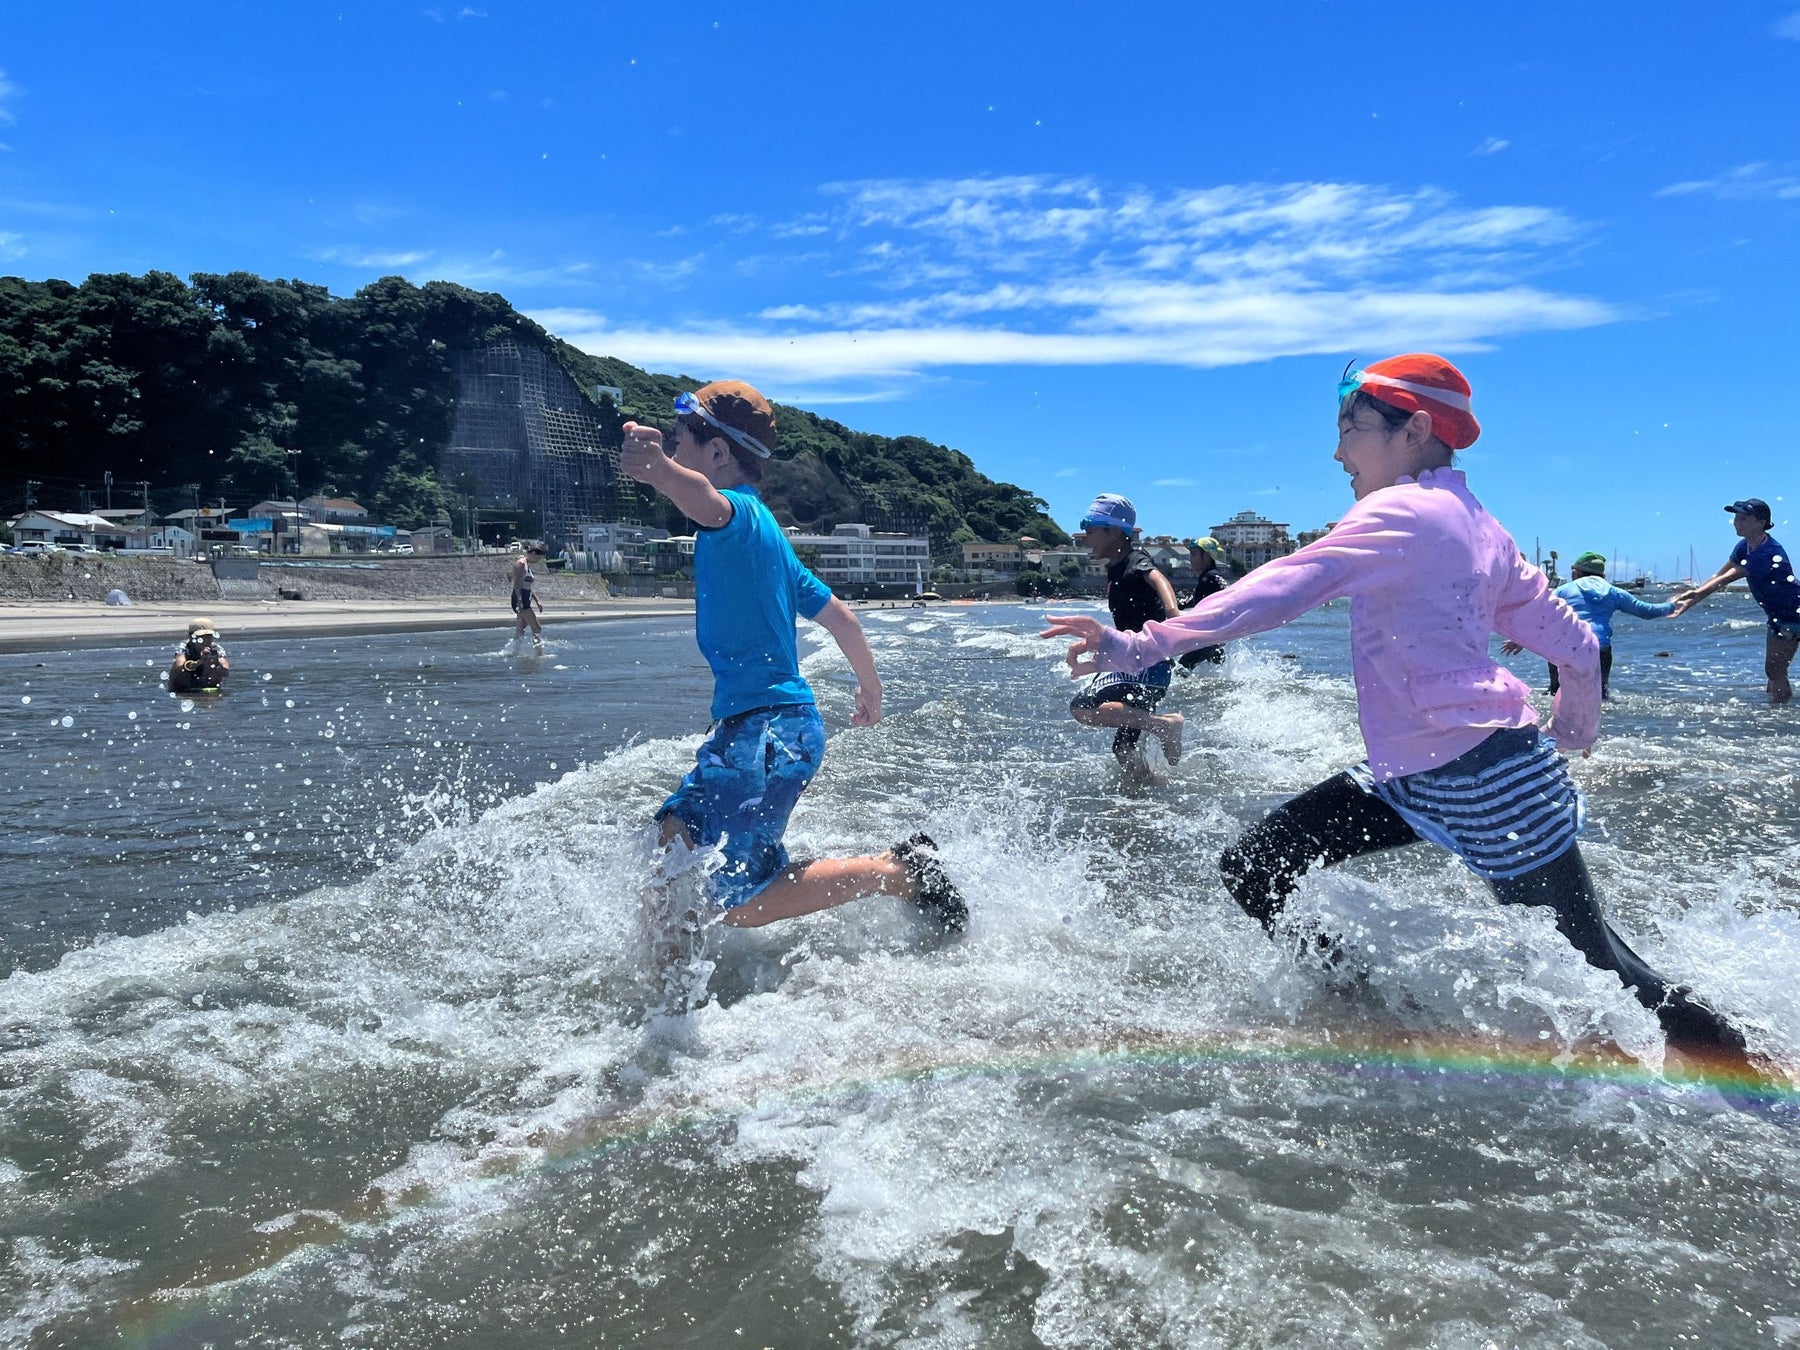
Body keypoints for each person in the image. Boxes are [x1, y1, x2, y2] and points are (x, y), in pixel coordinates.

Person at [1043, 354, 1751, 1069]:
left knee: (1609, 970)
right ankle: (1377, 1012)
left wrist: (1142, 644)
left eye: (1351, 428)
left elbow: (1283, 587)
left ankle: (1758, 1089)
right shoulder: (1480, 525)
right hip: (1418, 776)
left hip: (1483, 783)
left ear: (1412, 430)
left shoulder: (1399, 511)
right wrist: (1573, 731)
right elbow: (1569, 641)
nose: (1338, 450)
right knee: (1256, 864)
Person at [619, 380, 966, 932]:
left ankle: (897, 870)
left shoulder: (738, 517)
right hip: (761, 727)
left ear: (717, 452)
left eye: (683, 441)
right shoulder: (772, 541)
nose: (679, 452)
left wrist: (657, 468)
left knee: (735, 899)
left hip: (770, 731)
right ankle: (666, 988)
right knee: (673, 839)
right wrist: (869, 688)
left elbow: (704, 502)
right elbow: (843, 619)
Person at [1065, 494, 1185, 772]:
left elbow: (1157, 577)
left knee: (1082, 708)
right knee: (1123, 748)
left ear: (1114, 531)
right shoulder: (1115, 567)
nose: (1086, 538)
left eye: (1091, 530)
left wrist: (1172, 612)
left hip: (1145, 664)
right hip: (1143, 666)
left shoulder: (1134, 559)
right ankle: (1142, 802)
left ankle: (1165, 726)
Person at [1671, 498, 1800, 705]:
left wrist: (1692, 599)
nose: (1736, 522)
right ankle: (1775, 711)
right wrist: (1692, 592)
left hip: (1792, 615)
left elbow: (1727, 579)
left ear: (1760, 523)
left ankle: (1780, 716)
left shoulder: (1767, 552)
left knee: (1774, 669)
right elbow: (1717, 576)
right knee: (1776, 669)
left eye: (1743, 518)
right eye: (1735, 517)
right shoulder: (1744, 546)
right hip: (1780, 616)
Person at [1502, 551, 1674, 698]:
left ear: (1576, 572)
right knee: (1599, 697)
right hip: (1598, 647)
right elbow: (1647, 611)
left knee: (1557, 694)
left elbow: (1540, 616)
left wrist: (1520, 640)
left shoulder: (1563, 590)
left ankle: (1559, 732)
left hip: (1564, 646)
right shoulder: (1614, 592)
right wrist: (1673, 605)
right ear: (1603, 576)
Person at [1177, 536, 1234, 671]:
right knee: (1218, 673)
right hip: (1215, 637)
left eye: (1194, 554)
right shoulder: (1206, 577)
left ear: (1206, 556)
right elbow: (1195, 600)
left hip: (1210, 638)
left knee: (1181, 668)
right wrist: (1175, 605)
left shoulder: (1211, 576)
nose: (1191, 559)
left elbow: (1228, 590)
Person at [169, 618, 229, 694]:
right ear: (191, 636)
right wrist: (200, 662)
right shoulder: (184, 647)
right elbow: (179, 667)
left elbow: (225, 671)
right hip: (183, 689)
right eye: (202, 636)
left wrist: (213, 661)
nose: (206, 639)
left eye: (209, 636)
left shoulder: (216, 649)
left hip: (209, 690)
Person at [511, 547, 545, 650]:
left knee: (521, 627)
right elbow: (517, 584)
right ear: (534, 553)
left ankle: (514, 651)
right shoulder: (521, 564)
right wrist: (520, 600)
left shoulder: (527, 565)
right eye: (539, 558)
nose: (538, 561)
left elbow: (527, 587)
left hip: (526, 597)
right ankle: (539, 652)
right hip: (521, 599)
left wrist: (537, 601)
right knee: (537, 627)